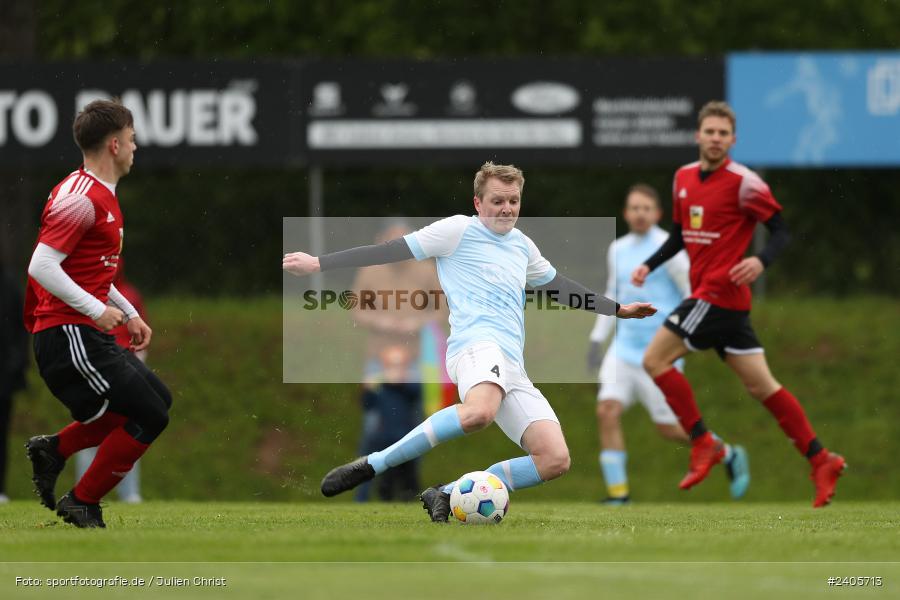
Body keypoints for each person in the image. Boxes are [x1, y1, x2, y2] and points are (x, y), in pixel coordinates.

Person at [284, 161, 656, 522]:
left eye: (513, 201)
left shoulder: (523, 245)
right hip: (474, 347)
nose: (506, 208)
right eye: (497, 200)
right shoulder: (457, 230)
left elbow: (558, 286)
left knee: (554, 459)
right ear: (478, 203)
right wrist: (318, 263)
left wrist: (617, 309)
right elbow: (389, 251)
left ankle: (446, 492)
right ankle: (375, 463)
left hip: (511, 363)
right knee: (479, 412)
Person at [632, 101, 845, 508]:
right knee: (762, 386)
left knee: (654, 360)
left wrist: (759, 260)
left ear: (733, 140)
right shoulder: (682, 178)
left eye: (723, 134)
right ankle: (821, 458)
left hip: (716, 294)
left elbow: (781, 230)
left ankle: (704, 442)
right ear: (698, 135)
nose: (715, 139)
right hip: (724, 304)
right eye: (709, 132)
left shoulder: (745, 182)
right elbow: (680, 236)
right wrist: (649, 264)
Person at [23, 99, 173, 527]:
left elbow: (88, 272)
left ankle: (54, 450)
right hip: (66, 333)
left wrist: (126, 312)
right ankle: (81, 500)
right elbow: (42, 265)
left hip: (83, 330)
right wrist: (95, 308)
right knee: (150, 413)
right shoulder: (82, 199)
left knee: (156, 402)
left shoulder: (99, 195)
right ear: (113, 145)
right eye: (131, 139)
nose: (135, 147)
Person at [588, 184, 749, 504]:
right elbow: (612, 291)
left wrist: (693, 334)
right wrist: (597, 338)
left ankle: (727, 453)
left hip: (659, 353)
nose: (639, 213)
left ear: (658, 213)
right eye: (634, 208)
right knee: (607, 410)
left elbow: (693, 292)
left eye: (646, 208)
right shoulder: (617, 249)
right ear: (625, 213)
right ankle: (619, 495)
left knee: (670, 429)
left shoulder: (669, 248)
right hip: (622, 350)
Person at [349, 221, 443, 502]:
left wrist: (416, 322)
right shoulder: (369, 272)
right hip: (378, 361)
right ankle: (363, 491)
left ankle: (407, 490)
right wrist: (384, 321)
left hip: (416, 362)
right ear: (381, 242)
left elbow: (441, 311)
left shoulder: (426, 271)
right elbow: (356, 311)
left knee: (415, 429)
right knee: (374, 426)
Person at [74, 263, 146, 504]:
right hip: (96, 368)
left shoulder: (130, 295)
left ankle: (129, 493)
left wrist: (139, 367)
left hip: (123, 368)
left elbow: (139, 334)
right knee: (92, 431)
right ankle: (86, 489)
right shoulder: (84, 296)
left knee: (127, 432)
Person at [0, 259, 29, 504]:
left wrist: (16, 366)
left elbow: (20, 331)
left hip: (3, 379)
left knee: (1, 435)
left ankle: (0, 489)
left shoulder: (8, 285)